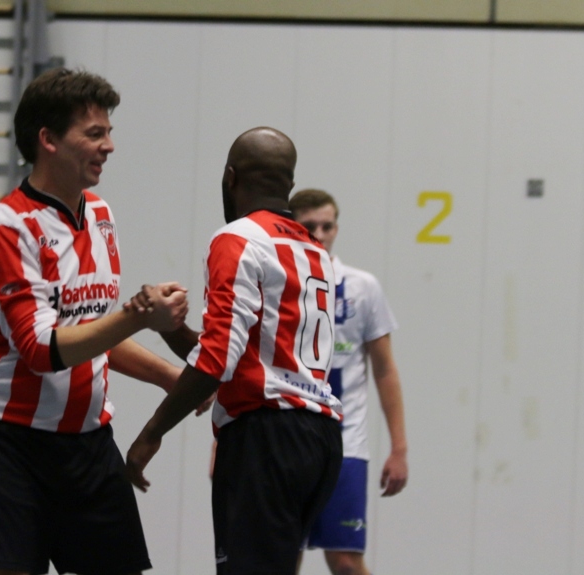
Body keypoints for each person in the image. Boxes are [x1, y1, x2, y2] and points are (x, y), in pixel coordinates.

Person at [0, 67, 200, 575]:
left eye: (109, 131)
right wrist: (139, 315)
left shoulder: (100, 215)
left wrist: (173, 378)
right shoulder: (6, 227)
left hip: (87, 442)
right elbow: (42, 349)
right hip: (5, 444)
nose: (109, 145)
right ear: (48, 140)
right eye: (94, 133)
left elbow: (89, 331)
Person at [125, 127, 344, 575]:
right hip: (319, 441)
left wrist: (152, 432)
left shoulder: (237, 238)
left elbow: (217, 360)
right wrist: (169, 328)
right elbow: (244, 353)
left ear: (230, 177)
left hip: (266, 440)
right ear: (289, 184)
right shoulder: (314, 251)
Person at [289, 189, 408, 575]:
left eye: (328, 226)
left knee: (345, 561)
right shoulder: (278, 284)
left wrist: (399, 449)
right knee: (281, 559)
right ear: (292, 227)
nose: (320, 234)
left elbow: (385, 370)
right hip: (286, 442)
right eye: (310, 226)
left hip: (346, 445)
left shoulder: (362, 287)